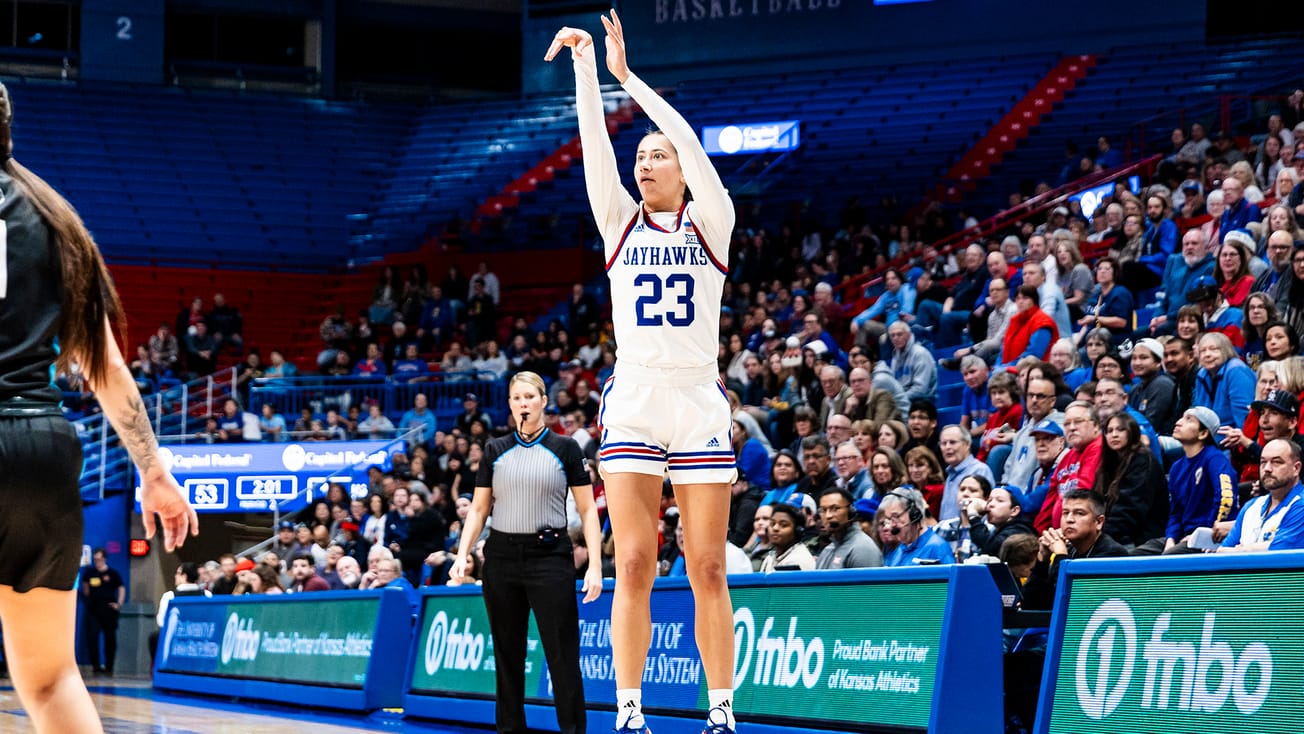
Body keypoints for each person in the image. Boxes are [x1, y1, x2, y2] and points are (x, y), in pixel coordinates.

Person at [552, 15, 742, 730]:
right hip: (633, 399)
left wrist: (628, 79)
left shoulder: (713, 219)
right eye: (642, 158)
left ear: (684, 172)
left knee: (708, 569)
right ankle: (629, 711)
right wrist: (582, 66)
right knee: (632, 563)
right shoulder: (618, 223)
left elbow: (687, 139)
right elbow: (594, 145)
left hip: (697, 401)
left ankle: (720, 713)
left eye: (657, 156)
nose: (644, 163)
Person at [0, 84, 197, 731]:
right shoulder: (55, 218)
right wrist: (154, 472)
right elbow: (107, 367)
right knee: (53, 679)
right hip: (44, 450)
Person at [450, 372, 603, 734]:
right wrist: (461, 554)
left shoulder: (566, 448)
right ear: (509, 404)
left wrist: (594, 565)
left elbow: (586, 511)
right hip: (501, 557)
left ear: (543, 401)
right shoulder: (494, 450)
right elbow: (478, 509)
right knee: (507, 656)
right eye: (517, 398)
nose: (523, 403)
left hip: (549, 558)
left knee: (562, 656)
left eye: (530, 397)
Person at [1021, 490, 1129, 610]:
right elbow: (1031, 605)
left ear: (1099, 522)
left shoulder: (1112, 554)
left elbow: (1074, 603)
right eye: (1065, 513)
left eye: (1079, 513)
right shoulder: (1069, 550)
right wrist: (1042, 560)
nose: (1069, 519)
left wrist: (1061, 556)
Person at [1218, 439, 1304, 552]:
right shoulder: (1251, 506)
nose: (1267, 469)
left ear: (1296, 468)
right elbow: (1221, 551)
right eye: (1263, 462)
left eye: (1276, 462)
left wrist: (1241, 550)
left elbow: (1279, 551)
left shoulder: (1301, 505)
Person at [79, 549, 124, 676]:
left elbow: (121, 588)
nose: (97, 562)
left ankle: (109, 667)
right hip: (94, 609)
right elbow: (85, 588)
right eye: (95, 559)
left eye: (99, 559)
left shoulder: (113, 573)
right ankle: (96, 667)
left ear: (105, 559)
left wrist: (118, 604)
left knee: (110, 639)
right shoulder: (90, 573)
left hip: (109, 609)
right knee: (92, 637)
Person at [881, 488, 954, 566]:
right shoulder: (898, 551)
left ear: (915, 514)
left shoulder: (937, 548)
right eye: (889, 519)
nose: (891, 525)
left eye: (895, 517)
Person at [814, 487, 883, 569]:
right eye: (823, 510)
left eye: (835, 509)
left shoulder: (862, 549)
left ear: (851, 512)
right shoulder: (827, 550)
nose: (828, 516)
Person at [759, 502, 816, 572]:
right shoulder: (769, 558)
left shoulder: (799, 560)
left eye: (783, 525)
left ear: (797, 531)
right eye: (772, 523)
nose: (775, 528)